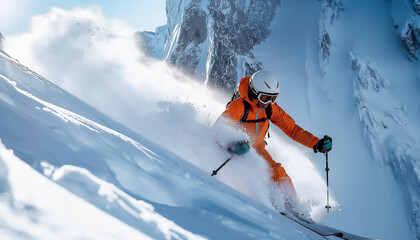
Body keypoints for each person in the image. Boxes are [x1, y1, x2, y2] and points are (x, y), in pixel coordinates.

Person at [215, 70, 332, 210]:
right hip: (236, 151)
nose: (268, 102)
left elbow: (292, 129)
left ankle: (294, 207)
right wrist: (233, 146)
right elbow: (218, 130)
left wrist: (316, 143)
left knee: (277, 172)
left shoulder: (270, 108)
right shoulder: (239, 106)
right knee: (254, 175)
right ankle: (267, 203)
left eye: (273, 98)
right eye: (265, 98)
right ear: (254, 92)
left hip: (257, 148)